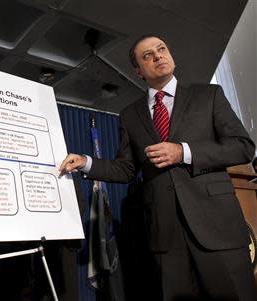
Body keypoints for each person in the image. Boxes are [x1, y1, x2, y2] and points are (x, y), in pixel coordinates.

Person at [59, 34, 257, 300]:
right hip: (166, 237)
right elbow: (126, 169)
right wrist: (87, 162)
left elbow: (243, 146)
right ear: (139, 71)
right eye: (147, 55)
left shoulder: (208, 95)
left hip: (217, 228)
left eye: (161, 49)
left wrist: (183, 152)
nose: (158, 56)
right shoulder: (130, 115)